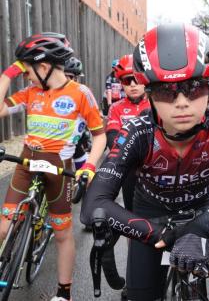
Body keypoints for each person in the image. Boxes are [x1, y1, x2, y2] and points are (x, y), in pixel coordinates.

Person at [80, 24, 209, 301]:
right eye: (166, 91)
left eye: (194, 87)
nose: (182, 102)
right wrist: (161, 234)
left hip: (202, 212)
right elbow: (93, 205)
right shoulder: (138, 131)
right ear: (149, 95)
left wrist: (204, 226)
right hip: (150, 219)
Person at [0, 32, 106, 301]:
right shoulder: (30, 93)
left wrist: (89, 167)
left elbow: (100, 135)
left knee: (62, 233)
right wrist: (9, 73)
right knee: (3, 227)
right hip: (26, 162)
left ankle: (64, 292)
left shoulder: (81, 94)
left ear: (44, 67)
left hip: (59, 170)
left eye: (27, 70)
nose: (26, 76)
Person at [105, 53, 150, 211]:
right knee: (131, 212)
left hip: (155, 166)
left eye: (136, 79)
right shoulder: (115, 108)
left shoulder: (155, 103)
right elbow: (112, 137)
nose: (132, 84)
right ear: (121, 84)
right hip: (129, 166)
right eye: (126, 80)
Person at [64, 57, 93, 170]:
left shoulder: (82, 92)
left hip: (75, 139)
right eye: (69, 77)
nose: (72, 82)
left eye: (75, 78)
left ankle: (83, 182)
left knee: (81, 148)